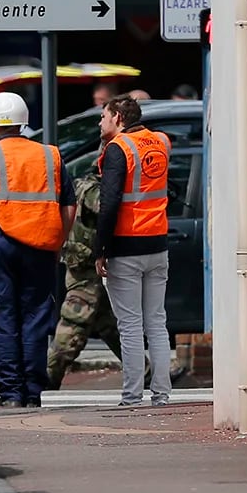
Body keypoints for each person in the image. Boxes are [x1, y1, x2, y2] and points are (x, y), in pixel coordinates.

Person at [0, 91, 74, 408]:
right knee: (36, 317)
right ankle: (33, 393)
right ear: (22, 124)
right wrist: (58, 240)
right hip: (40, 245)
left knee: (3, 317)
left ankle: (10, 394)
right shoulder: (51, 155)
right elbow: (69, 206)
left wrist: (0, 216)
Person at [94, 94, 173, 407]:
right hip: (158, 242)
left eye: (103, 117)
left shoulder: (118, 149)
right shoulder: (159, 142)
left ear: (117, 117)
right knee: (156, 321)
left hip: (127, 246)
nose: (100, 123)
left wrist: (100, 248)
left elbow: (110, 202)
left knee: (129, 325)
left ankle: (132, 395)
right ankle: (162, 394)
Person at [47, 167, 124, 388]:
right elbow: (107, 207)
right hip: (87, 269)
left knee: (109, 326)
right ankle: (47, 378)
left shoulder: (81, 183)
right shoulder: (93, 190)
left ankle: (145, 370)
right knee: (73, 326)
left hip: (81, 264)